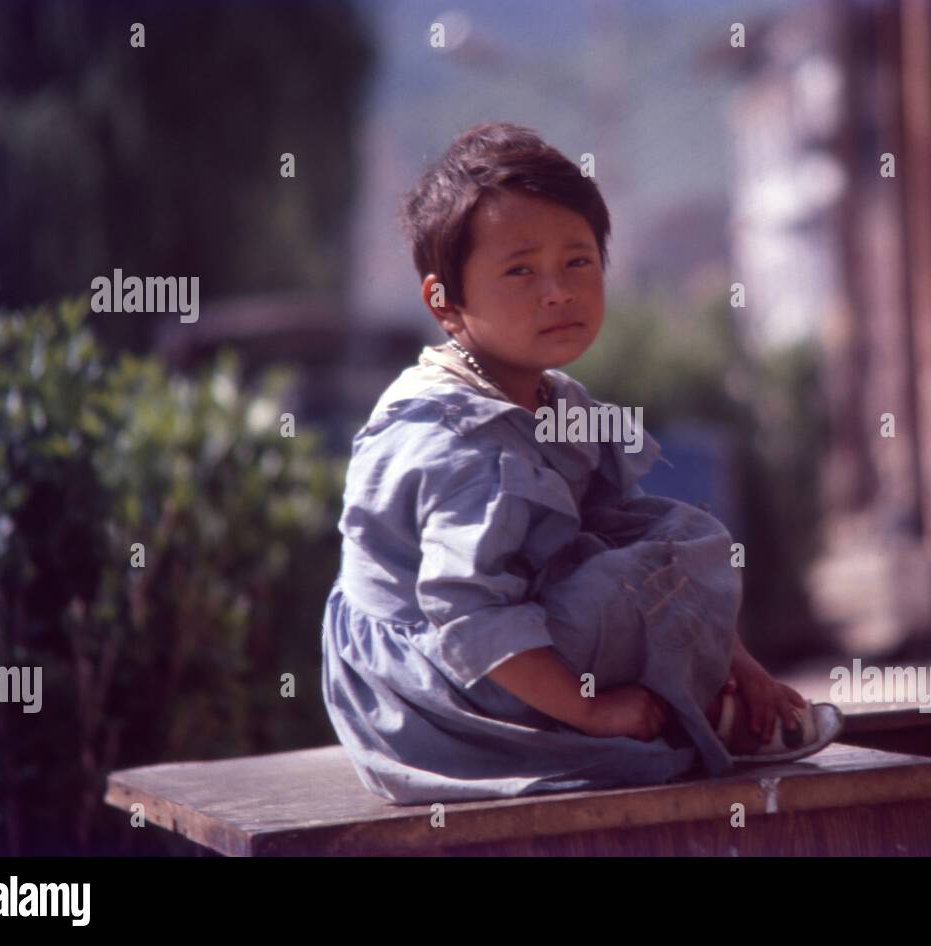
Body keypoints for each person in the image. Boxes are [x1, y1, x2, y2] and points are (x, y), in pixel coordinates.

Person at [320, 123, 840, 805]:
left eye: (578, 261)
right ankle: (690, 721)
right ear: (444, 301)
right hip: (435, 690)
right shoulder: (460, 442)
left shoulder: (548, 398)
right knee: (624, 584)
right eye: (520, 271)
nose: (558, 291)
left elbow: (638, 544)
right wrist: (592, 710)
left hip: (503, 645)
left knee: (670, 532)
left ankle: (728, 696)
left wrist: (743, 665)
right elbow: (468, 616)